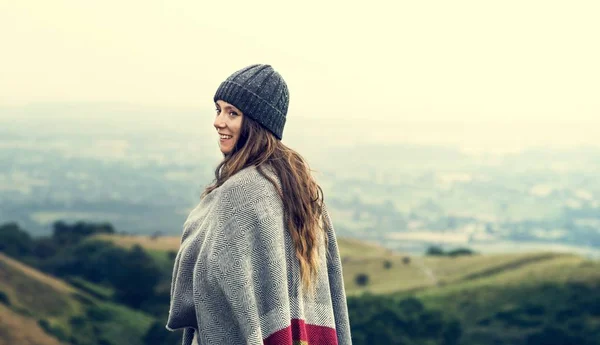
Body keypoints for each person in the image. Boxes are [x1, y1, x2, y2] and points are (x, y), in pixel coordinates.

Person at [166, 64, 352, 345]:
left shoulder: (238, 194)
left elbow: (190, 294)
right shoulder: (303, 188)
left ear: (257, 122)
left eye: (232, 113)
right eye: (218, 109)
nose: (218, 121)